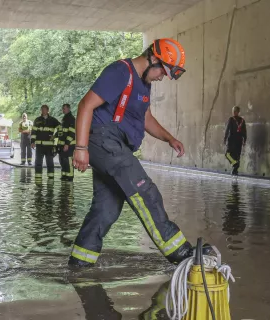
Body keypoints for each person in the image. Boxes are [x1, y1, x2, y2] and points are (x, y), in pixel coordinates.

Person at [69, 38, 195, 267]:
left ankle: (80, 263)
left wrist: (169, 138)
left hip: (115, 146)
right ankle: (180, 253)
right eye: (163, 72)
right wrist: (80, 148)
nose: (161, 77)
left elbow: (145, 118)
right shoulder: (120, 71)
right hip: (103, 141)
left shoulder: (143, 83)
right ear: (153, 59)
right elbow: (85, 105)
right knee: (144, 190)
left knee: (106, 209)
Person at [31, 105, 60, 181]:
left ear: (48, 110)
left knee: (50, 163)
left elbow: (61, 128)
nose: (43, 111)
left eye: (44, 109)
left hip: (49, 146)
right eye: (42, 110)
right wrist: (32, 142)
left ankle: (51, 178)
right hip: (39, 146)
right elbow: (33, 132)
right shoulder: (37, 120)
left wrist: (55, 136)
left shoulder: (53, 120)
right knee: (38, 163)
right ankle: (38, 178)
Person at [224, 106, 247, 176]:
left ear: (236, 112)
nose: (233, 112)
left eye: (234, 111)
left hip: (232, 140)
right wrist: (244, 140)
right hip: (239, 141)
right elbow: (244, 132)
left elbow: (227, 130)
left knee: (227, 155)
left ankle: (234, 164)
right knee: (237, 156)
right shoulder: (242, 120)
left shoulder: (231, 119)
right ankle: (235, 171)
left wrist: (225, 139)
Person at [57, 103, 76, 181]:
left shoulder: (71, 119)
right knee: (63, 161)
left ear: (69, 109)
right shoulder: (64, 119)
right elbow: (62, 132)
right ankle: (64, 175)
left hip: (69, 145)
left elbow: (72, 132)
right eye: (62, 108)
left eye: (64, 108)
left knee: (68, 161)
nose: (63, 110)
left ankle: (70, 177)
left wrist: (67, 144)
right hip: (63, 144)